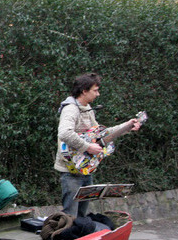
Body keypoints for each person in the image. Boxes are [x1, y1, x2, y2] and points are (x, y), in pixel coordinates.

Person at [54, 72, 142, 217]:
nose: (98, 94)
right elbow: (64, 133)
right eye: (95, 90)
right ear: (84, 91)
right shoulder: (70, 109)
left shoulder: (88, 110)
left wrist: (127, 126)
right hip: (70, 172)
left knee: (82, 215)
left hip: (85, 170)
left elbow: (102, 135)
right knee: (70, 216)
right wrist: (88, 147)